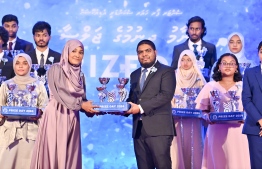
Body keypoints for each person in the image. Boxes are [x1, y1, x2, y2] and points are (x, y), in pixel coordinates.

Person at [30, 39, 99, 169]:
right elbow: (60, 94)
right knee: (54, 154)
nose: (77, 55)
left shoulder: (80, 74)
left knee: (69, 156)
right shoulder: (56, 69)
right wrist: (82, 105)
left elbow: (82, 99)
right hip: (56, 115)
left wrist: (90, 109)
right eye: (74, 51)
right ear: (66, 52)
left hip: (73, 117)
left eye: (81, 52)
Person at [126, 39, 176, 169]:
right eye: (140, 52)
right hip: (139, 130)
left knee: (162, 166)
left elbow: (165, 95)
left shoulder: (166, 71)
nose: (144, 55)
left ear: (155, 52)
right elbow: (133, 99)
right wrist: (122, 107)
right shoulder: (134, 74)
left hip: (159, 130)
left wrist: (140, 108)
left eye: (147, 51)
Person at [195, 53, 250, 168]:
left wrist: (246, 117)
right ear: (219, 67)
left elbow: (251, 108)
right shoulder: (210, 86)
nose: (228, 66)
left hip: (238, 132)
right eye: (224, 63)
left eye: (231, 63)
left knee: (238, 162)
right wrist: (207, 117)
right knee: (217, 162)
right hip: (216, 132)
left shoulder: (243, 86)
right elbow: (200, 111)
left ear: (236, 68)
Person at [0, 53, 48, 169]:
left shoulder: (38, 85)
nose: (21, 66)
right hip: (9, 133)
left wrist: (39, 113)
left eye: (24, 63)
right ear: (13, 66)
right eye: (17, 63)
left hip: (31, 133)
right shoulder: (6, 85)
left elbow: (45, 107)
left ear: (30, 65)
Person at [170, 49, 206, 169]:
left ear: (193, 61)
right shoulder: (173, 76)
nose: (185, 63)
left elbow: (204, 99)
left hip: (193, 120)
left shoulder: (198, 77)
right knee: (177, 147)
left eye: (189, 60)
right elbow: (169, 97)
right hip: (176, 119)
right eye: (183, 60)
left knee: (194, 146)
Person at [170, 16, 217, 81]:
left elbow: (215, 70)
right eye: (191, 28)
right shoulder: (178, 49)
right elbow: (173, 70)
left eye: (197, 29)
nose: (194, 32)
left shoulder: (210, 48)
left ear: (202, 30)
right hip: (184, 86)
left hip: (204, 86)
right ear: (188, 29)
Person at [242, 41, 262, 168]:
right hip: (255, 127)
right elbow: (246, 100)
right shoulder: (249, 73)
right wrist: (260, 120)